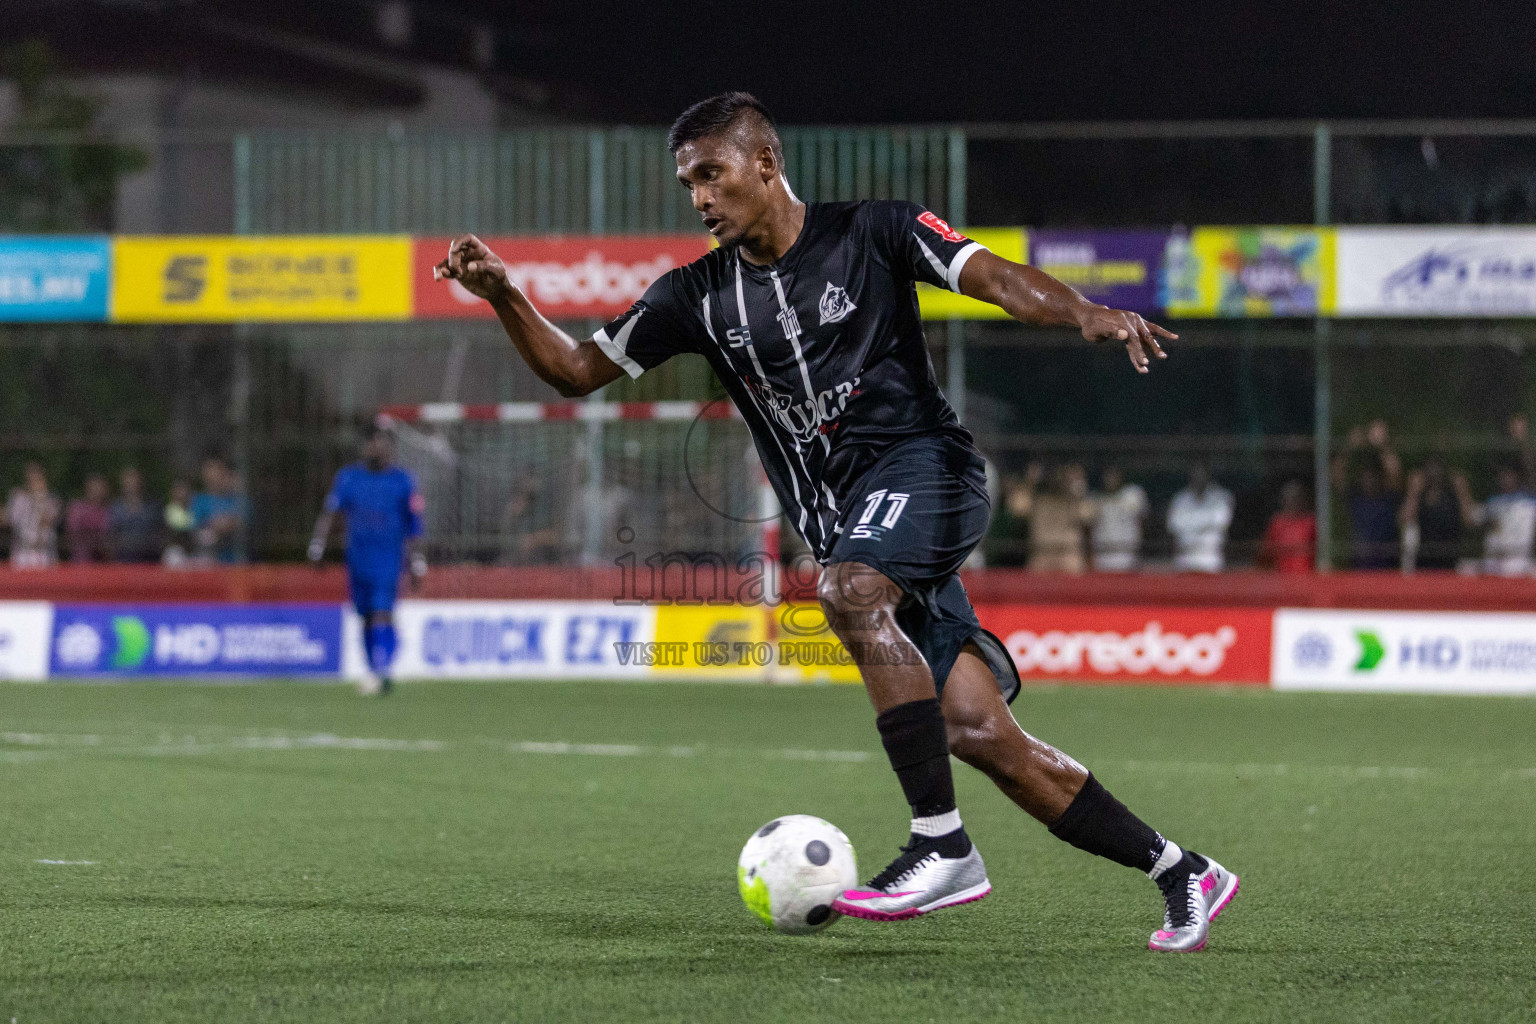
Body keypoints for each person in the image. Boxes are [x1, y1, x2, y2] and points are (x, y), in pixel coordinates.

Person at [436, 91, 1235, 952]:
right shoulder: (694, 296)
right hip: (854, 524)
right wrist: (505, 294)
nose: (699, 197)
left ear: (766, 164)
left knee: (850, 591)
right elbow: (575, 370)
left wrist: (1082, 310)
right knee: (974, 729)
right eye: (687, 183)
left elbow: (994, 277)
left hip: (931, 471)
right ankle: (1182, 871)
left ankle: (943, 845)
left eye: (712, 174)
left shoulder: (876, 232)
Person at [309, 425, 426, 695]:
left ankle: (381, 671)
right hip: (358, 558)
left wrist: (418, 563)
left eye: (381, 442)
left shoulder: (403, 481)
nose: (375, 447)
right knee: (365, 616)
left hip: (388, 558)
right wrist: (318, 547)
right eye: (371, 442)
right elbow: (331, 515)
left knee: (381, 611)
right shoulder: (349, 478)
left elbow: (415, 526)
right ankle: (374, 667)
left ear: (391, 447)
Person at [1005, 462, 1094, 573]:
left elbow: (1088, 516)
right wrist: (1030, 482)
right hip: (1041, 555)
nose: (1055, 477)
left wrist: (1078, 489)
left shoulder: (1073, 499)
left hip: (1068, 554)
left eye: (1061, 473)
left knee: (1074, 568)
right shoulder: (1036, 497)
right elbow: (1017, 509)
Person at [1401, 457, 1469, 571]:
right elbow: (1406, 519)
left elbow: (1468, 520)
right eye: (1430, 469)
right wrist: (1413, 491)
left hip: (1450, 558)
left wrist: (1462, 492)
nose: (1434, 473)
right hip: (1424, 560)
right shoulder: (1420, 496)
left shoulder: (1452, 495)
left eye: (1437, 468)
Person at [1167, 463, 1234, 572]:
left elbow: (1221, 523)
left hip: (1210, 559)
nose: (1199, 476)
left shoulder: (1221, 497)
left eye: (1202, 472)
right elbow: (1174, 525)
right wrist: (1205, 523)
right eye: (1195, 472)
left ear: (1208, 475)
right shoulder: (1180, 499)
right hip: (1185, 558)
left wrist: (1190, 522)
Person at [1089, 465, 1147, 571]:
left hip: (1127, 554)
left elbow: (1143, 522)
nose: (1111, 479)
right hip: (1103, 556)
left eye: (1114, 475)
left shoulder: (1133, 494)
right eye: (1107, 476)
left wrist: (1139, 550)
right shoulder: (1095, 499)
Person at [191, 457, 247, 564]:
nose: (213, 474)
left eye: (217, 469)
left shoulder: (239, 500)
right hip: (209, 562)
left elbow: (244, 523)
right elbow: (195, 531)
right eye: (209, 470)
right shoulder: (199, 501)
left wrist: (229, 524)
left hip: (239, 561)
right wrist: (214, 525)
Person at [4, 462, 61, 568]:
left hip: (44, 553)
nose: (34, 482)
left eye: (37, 479)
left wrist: (39, 499)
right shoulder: (19, 498)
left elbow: (47, 521)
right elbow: (9, 520)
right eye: (31, 478)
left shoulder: (52, 500)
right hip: (23, 552)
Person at [1261, 479, 1316, 573]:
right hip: (1282, 578)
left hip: (1307, 578)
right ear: (1283, 500)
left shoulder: (1310, 522)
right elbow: (1266, 553)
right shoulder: (1276, 523)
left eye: (1297, 498)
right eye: (1290, 498)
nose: (1293, 502)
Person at [109, 467, 163, 563]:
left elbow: (160, 531)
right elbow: (111, 534)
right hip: (123, 556)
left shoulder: (153, 507)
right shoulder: (116, 508)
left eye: (135, 480)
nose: (132, 484)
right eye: (129, 481)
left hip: (150, 556)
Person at [65, 473, 113, 562]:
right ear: (87, 488)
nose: (97, 490)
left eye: (100, 487)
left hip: (102, 564)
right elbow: (72, 533)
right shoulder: (76, 508)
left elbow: (108, 536)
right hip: (80, 562)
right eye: (94, 487)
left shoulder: (107, 510)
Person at [162, 480, 195, 566]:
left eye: (183, 490)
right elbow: (176, 529)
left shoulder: (194, 508)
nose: (181, 493)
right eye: (178, 490)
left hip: (194, 549)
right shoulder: (170, 509)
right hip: (176, 549)